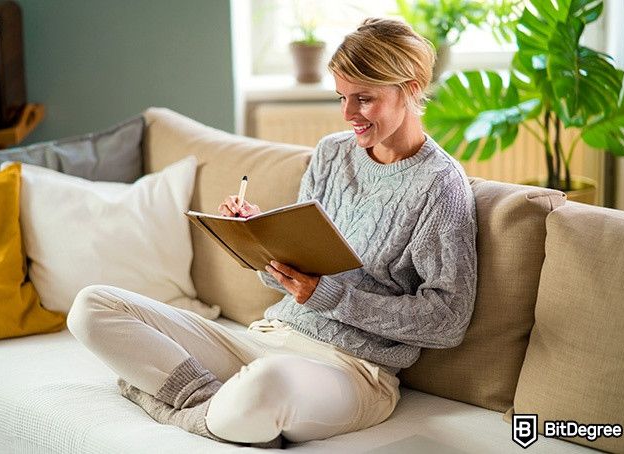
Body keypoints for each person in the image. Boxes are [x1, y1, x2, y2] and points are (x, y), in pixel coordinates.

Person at [67, 17, 477, 448]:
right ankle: (216, 406)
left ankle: (172, 404)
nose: (348, 114)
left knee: (267, 383)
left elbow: (447, 321)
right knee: (92, 306)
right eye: (341, 97)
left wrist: (330, 296)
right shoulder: (332, 154)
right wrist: (260, 240)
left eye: (364, 98)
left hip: (353, 370)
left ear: (410, 88)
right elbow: (295, 278)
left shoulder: (441, 187)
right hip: (268, 338)